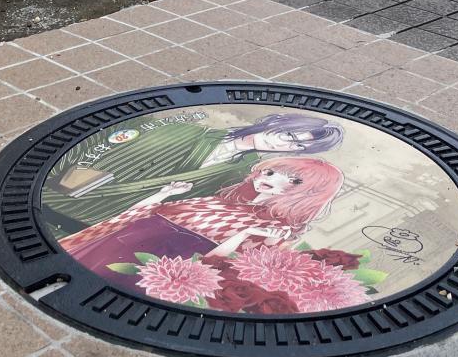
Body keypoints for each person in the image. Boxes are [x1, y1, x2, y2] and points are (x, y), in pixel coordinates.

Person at [41, 112, 344, 237]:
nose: (284, 144)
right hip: (58, 199)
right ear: (276, 121)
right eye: (288, 134)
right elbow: (100, 140)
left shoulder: (243, 173)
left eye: (298, 145)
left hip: (96, 224)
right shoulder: (188, 130)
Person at [58, 156, 345, 282]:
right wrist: (164, 193)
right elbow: (145, 215)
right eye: (270, 172)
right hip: (117, 242)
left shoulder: (276, 229)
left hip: (153, 263)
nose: (271, 178)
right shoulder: (221, 201)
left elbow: (219, 267)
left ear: (311, 193)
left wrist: (244, 235)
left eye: (293, 180)